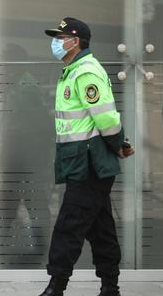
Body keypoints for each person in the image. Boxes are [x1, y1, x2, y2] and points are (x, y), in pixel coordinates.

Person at [39, 17, 135, 296]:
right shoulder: (73, 70)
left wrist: (118, 143)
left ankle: (56, 286)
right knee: (100, 226)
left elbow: (105, 116)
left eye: (60, 37)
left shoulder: (85, 72)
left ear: (75, 40)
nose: (56, 42)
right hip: (82, 160)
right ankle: (110, 286)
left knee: (70, 223)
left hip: (89, 162)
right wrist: (118, 143)